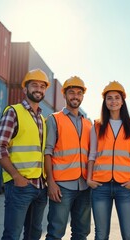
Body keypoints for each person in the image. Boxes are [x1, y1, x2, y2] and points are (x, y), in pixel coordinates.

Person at [0, 69, 50, 240]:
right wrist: (16, 176)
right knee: (12, 234)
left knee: (34, 234)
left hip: (40, 187)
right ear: (25, 89)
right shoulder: (14, 112)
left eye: (42, 86)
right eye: (34, 85)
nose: (38, 89)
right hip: (20, 186)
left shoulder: (42, 119)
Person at [87, 81, 130, 240]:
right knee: (101, 235)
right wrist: (89, 178)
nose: (113, 101)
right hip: (100, 186)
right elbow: (92, 154)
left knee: (129, 235)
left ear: (123, 101)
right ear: (105, 102)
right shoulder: (96, 125)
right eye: (109, 98)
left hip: (125, 186)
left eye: (117, 97)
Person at [44, 76, 92, 240]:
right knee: (56, 232)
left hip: (84, 186)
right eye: (71, 93)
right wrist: (50, 182)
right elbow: (47, 152)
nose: (75, 96)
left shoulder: (88, 124)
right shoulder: (54, 119)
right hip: (62, 187)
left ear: (82, 96)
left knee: (81, 233)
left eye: (79, 93)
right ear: (64, 95)